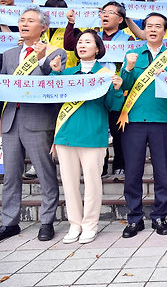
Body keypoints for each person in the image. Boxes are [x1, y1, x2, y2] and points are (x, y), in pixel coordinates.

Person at [50, 30, 124, 244]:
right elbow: (55, 98)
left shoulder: (105, 75)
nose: (82, 45)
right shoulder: (67, 73)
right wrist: (55, 73)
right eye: (80, 42)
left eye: (88, 42)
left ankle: (90, 224)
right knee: (70, 183)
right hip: (65, 136)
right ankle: (75, 224)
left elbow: (113, 106)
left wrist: (117, 90)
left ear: (98, 48)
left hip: (93, 136)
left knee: (92, 183)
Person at [0, 7, 67, 242]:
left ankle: (47, 222)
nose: (24, 24)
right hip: (10, 121)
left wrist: (40, 61)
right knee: (10, 175)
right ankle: (9, 222)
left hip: (38, 121)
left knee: (45, 174)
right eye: (21, 20)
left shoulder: (57, 52)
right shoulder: (8, 55)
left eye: (30, 20)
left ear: (44, 27)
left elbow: (54, 85)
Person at [119, 12, 167, 238]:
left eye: (158, 26)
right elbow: (122, 86)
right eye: (149, 26)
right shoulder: (132, 53)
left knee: (162, 171)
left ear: (165, 30)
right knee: (133, 171)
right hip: (133, 119)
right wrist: (127, 69)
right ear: (144, 30)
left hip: (162, 119)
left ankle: (159, 216)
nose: (153, 29)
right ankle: (134, 218)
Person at [64, 1, 135, 182]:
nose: (105, 15)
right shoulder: (93, 36)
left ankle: (119, 165)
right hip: (89, 90)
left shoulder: (127, 39)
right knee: (99, 129)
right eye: (103, 12)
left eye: (110, 12)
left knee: (118, 130)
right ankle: (101, 167)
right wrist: (71, 23)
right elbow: (69, 44)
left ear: (120, 19)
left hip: (114, 88)